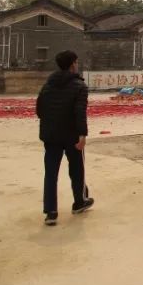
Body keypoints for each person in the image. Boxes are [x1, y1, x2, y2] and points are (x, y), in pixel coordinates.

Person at [36, 50, 94, 226]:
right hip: (72, 136)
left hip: (51, 135)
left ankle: (51, 212)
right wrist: (82, 135)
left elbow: (39, 110)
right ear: (72, 64)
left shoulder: (48, 85)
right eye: (76, 62)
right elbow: (79, 113)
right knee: (77, 170)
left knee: (51, 173)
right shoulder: (79, 86)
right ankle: (79, 202)